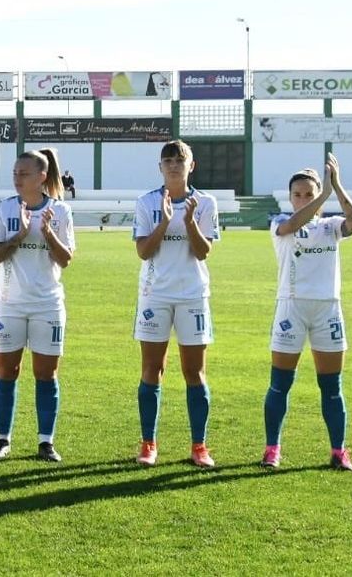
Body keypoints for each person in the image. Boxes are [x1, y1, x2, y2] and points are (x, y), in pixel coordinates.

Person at [262, 153, 352, 472]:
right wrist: (322, 195)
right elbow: (294, 223)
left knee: (331, 387)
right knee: (280, 383)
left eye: (310, 193)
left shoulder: (331, 227)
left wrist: (337, 186)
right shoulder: (280, 223)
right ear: (290, 197)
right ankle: (272, 449)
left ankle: (338, 451)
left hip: (327, 310)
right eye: (298, 194)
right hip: (291, 308)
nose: (303, 198)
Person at [132, 140, 220, 468]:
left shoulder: (205, 202)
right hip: (155, 295)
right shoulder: (147, 202)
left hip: (193, 296)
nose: (173, 165)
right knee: (152, 369)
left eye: (179, 160)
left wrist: (190, 221)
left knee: (193, 371)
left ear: (191, 166)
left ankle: (199, 446)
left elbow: (203, 251)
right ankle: (148, 443)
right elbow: (143, 251)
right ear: (160, 167)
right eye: (167, 160)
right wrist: (165, 222)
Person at [0, 149, 76, 462]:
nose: (17, 178)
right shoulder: (2, 209)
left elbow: (65, 259)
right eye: (15, 173)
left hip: (47, 305)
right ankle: (2, 440)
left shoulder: (60, 212)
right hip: (8, 304)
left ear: (41, 177)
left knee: (46, 374)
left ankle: (45, 442)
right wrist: (20, 234)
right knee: (6, 371)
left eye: (24, 173)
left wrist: (47, 232)